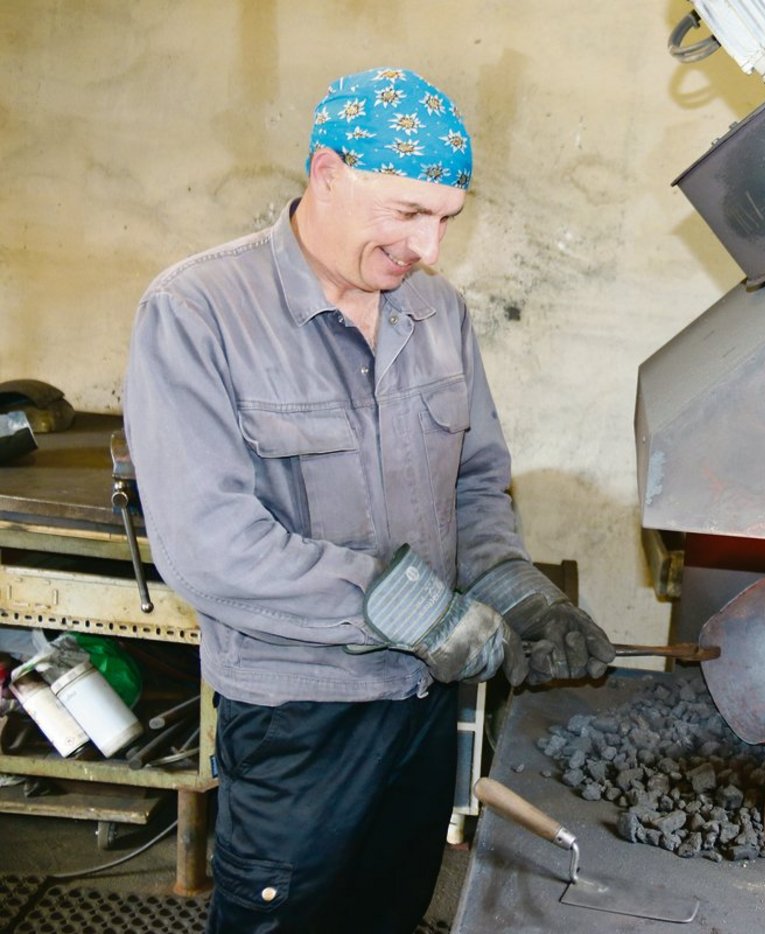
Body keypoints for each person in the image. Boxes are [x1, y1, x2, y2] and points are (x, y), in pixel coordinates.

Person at [123, 67, 615, 933]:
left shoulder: (436, 314)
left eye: (445, 220)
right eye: (407, 213)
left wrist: (512, 589)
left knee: (388, 912)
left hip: (421, 705)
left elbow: (472, 481)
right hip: (298, 714)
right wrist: (423, 615)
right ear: (327, 174)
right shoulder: (198, 313)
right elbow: (210, 546)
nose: (427, 247)